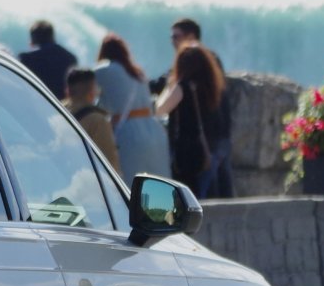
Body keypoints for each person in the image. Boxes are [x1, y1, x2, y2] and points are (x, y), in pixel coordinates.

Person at [166, 18, 233, 197]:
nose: (172, 41)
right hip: (218, 134)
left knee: (203, 193)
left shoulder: (194, 59)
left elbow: (173, 90)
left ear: (191, 36)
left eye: (175, 36)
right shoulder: (209, 59)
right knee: (220, 191)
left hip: (205, 138)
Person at [93, 33, 170, 183]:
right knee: (160, 185)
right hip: (154, 130)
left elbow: (95, 99)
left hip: (129, 132)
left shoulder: (103, 70)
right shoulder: (137, 72)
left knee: (131, 185)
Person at [155, 43, 224, 198]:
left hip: (185, 151)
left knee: (183, 196)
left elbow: (160, 109)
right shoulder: (208, 87)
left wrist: (169, 86)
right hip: (205, 148)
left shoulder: (182, 87)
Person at [63, 68, 121, 175]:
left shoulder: (55, 113)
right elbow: (110, 166)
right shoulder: (98, 121)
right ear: (91, 93)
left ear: (68, 91)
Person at [18, 20, 79, 98]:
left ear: (32, 41)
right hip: (62, 107)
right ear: (52, 37)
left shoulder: (26, 59)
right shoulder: (71, 58)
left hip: (37, 105)